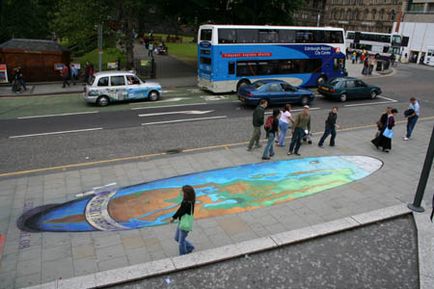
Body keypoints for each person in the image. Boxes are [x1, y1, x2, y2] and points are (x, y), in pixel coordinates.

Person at [170, 185, 196, 255]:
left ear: (186, 194)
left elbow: (181, 211)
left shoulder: (187, 203)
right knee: (177, 238)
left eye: (182, 191)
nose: (181, 192)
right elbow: (181, 209)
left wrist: (173, 217)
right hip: (182, 221)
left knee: (181, 242)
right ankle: (190, 247)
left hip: (185, 224)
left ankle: (183, 256)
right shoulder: (188, 200)